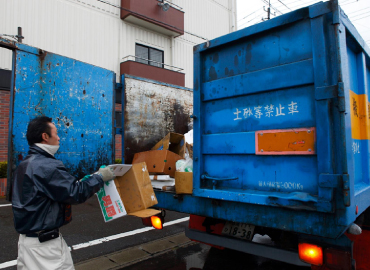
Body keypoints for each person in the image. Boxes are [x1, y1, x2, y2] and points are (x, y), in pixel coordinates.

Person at [12, 116, 115, 270]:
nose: (59, 138)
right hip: (45, 248)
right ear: (45, 137)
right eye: (56, 133)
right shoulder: (46, 165)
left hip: (27, 244)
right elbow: (76, 193)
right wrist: (100, 177)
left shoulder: (25, 164)